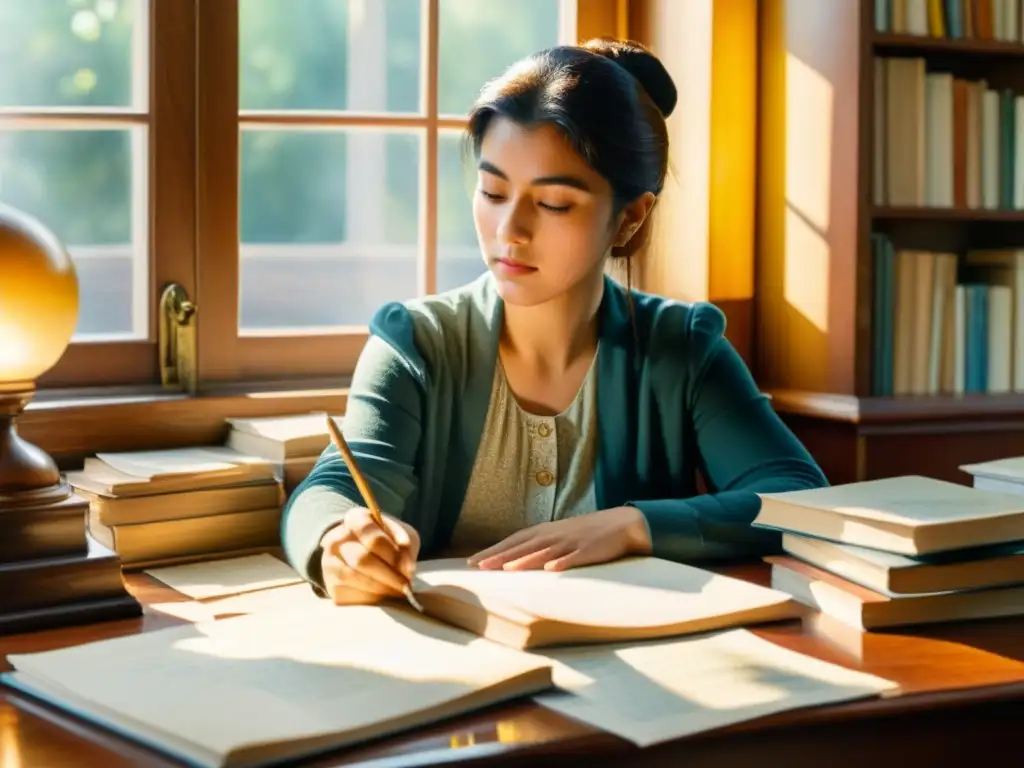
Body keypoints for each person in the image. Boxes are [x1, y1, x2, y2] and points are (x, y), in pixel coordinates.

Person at [281, 38, 828, 606]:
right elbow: (332, 490)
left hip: (639, 669)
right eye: (493, 191)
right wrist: (337, 543)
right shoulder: (417, 344)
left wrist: (632, 525)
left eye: (554, 204)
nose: (509, 230)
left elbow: (797, 496)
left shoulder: (682, 349)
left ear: (629, 216)